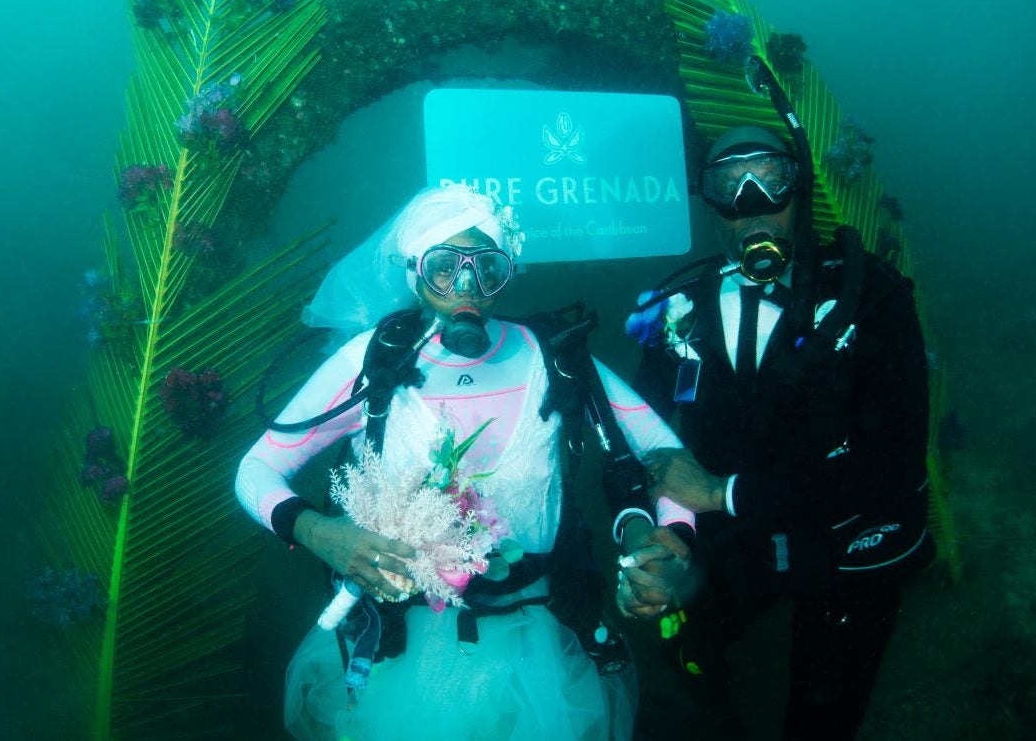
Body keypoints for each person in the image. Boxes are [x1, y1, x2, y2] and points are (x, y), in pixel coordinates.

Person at [235, 183, 693, 741]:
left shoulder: (554, 357)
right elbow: (254, 471)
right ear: (415, 273)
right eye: (445, 267)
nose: (467, 288)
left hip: (537, 646)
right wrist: (319, 532)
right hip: (405, 652)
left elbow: (664, 453)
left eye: (487, 268)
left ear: (506, 272)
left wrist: (670, 537)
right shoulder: (373, 364)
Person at [626, 116, 935, 739]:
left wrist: (721, 493)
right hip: (741, 534)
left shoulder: (872, 300)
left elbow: (895, 466)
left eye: (770, 180)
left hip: (848, 539)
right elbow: (642, 438)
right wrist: (669, 535)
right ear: (708, 201)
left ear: (799, 191)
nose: (752, 205)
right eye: (728, 185)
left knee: (820, 719)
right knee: (683, 653)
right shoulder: (678, 308)